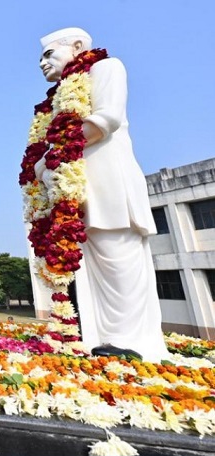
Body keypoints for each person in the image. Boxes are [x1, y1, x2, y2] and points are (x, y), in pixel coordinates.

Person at [32, 27, 168, 361]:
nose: (41, 63)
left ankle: (132, 341)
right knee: (89, 264)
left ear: (77, 47)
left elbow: (105, 119)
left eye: (48, 54)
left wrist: (50, 155)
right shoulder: (57, 98)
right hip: (77, 189)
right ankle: (100, 338)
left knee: (118, 257)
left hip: (108, 181)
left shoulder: (106, 69)